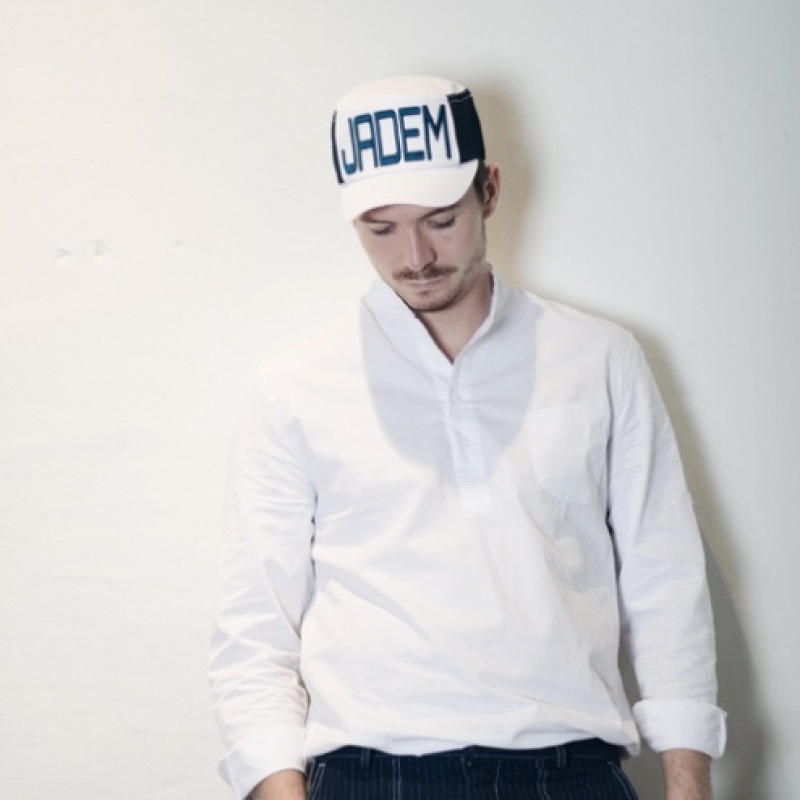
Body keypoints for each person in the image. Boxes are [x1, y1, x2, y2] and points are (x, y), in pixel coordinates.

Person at [208, 75, 727, 800]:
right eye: (381, 230)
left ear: (490, 190)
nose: (415, 256)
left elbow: (663, 578)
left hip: (570, 769)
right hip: (372, 774)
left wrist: (689, 781)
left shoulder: (599, 358)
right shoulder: (295, 386)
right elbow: (256, 626)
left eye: (440, 220)